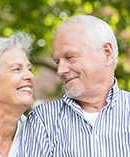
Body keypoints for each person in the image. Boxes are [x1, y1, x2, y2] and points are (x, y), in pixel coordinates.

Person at [18, 15, 130, 157]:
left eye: (70, 57)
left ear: (107, 53)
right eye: (58, 62)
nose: (60, 70)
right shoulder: (44, 119)